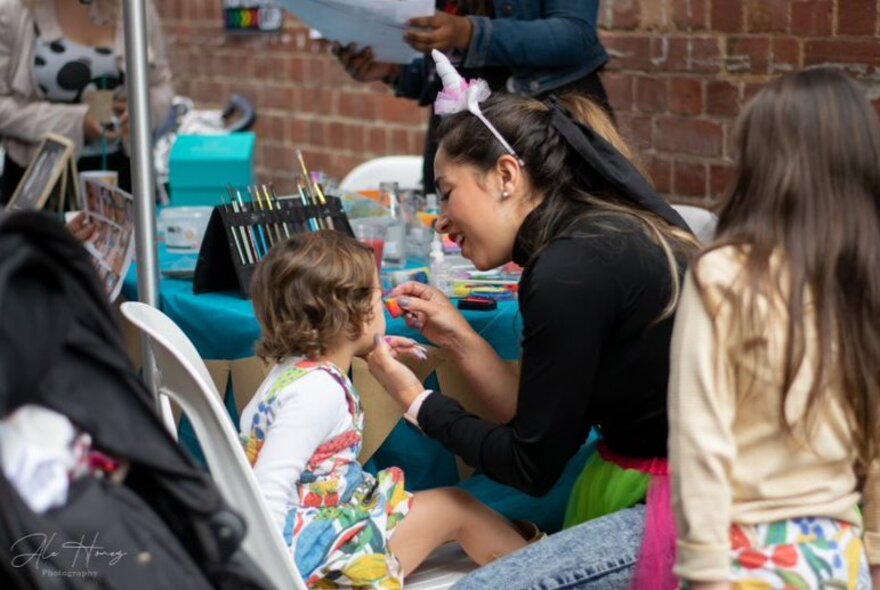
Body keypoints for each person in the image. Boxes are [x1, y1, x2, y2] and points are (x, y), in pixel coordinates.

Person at [364, 53, 700, 588]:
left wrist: (417, 402)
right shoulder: (599, 233)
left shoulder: (568, 270)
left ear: (505, 175)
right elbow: (542, 420)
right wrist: (457, 333)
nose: (442, 220)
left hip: (689, 508)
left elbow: (532, 466)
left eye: (447, 192)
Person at [668, 68, 880, 589]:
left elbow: (701, 440)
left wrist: (704, 573)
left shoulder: (725, 275)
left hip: (747, 559)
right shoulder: (866, 280)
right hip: (839, 556)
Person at [240, 230, 528, 588]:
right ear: (353, 315)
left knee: (446, 510)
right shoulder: (317, 393)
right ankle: (553, 575)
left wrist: (366, 345)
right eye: (378, 297)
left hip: (326, 524)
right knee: (456, 507)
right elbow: (268, 486)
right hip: (316, 560)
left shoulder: (293, 372)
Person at [333, 0, 610, 191]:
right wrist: (392, 68)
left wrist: (470, 33)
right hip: (466, 142)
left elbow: (575, 35)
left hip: (545, 140)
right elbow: (444, 72)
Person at [0, 0, 173, 202]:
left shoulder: (135, 7)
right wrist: (77, 122)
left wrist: (143, 111)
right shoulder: (14, 11)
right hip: (42, 179)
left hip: (123, 174)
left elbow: (161, 84)